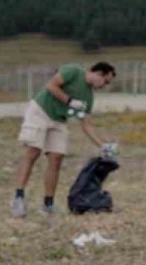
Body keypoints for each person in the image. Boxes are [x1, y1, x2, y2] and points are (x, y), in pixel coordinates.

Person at [10, 61, 116, 217]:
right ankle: (18, 198)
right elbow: (51, 86)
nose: (104, 86)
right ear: (99, 73)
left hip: (58, 120)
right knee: (33, 152)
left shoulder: (88, 97)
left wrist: (103, 145)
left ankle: (48, 204)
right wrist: (70, 101)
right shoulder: (73, 71)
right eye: (106, 81)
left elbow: (86, 126)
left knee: (57, 157)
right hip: (40, 111)